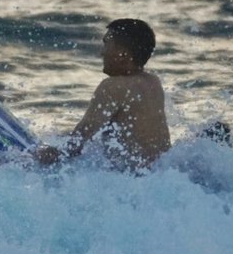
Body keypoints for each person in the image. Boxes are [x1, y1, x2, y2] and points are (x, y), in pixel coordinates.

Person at [34, 18, 171, 170]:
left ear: (123, 54)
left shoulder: (113, 87)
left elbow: (77, 142)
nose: (101, 52)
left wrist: (40, 156)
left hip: (133, 179)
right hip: (160, 173)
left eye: (106, 44)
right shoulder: (152, 82)